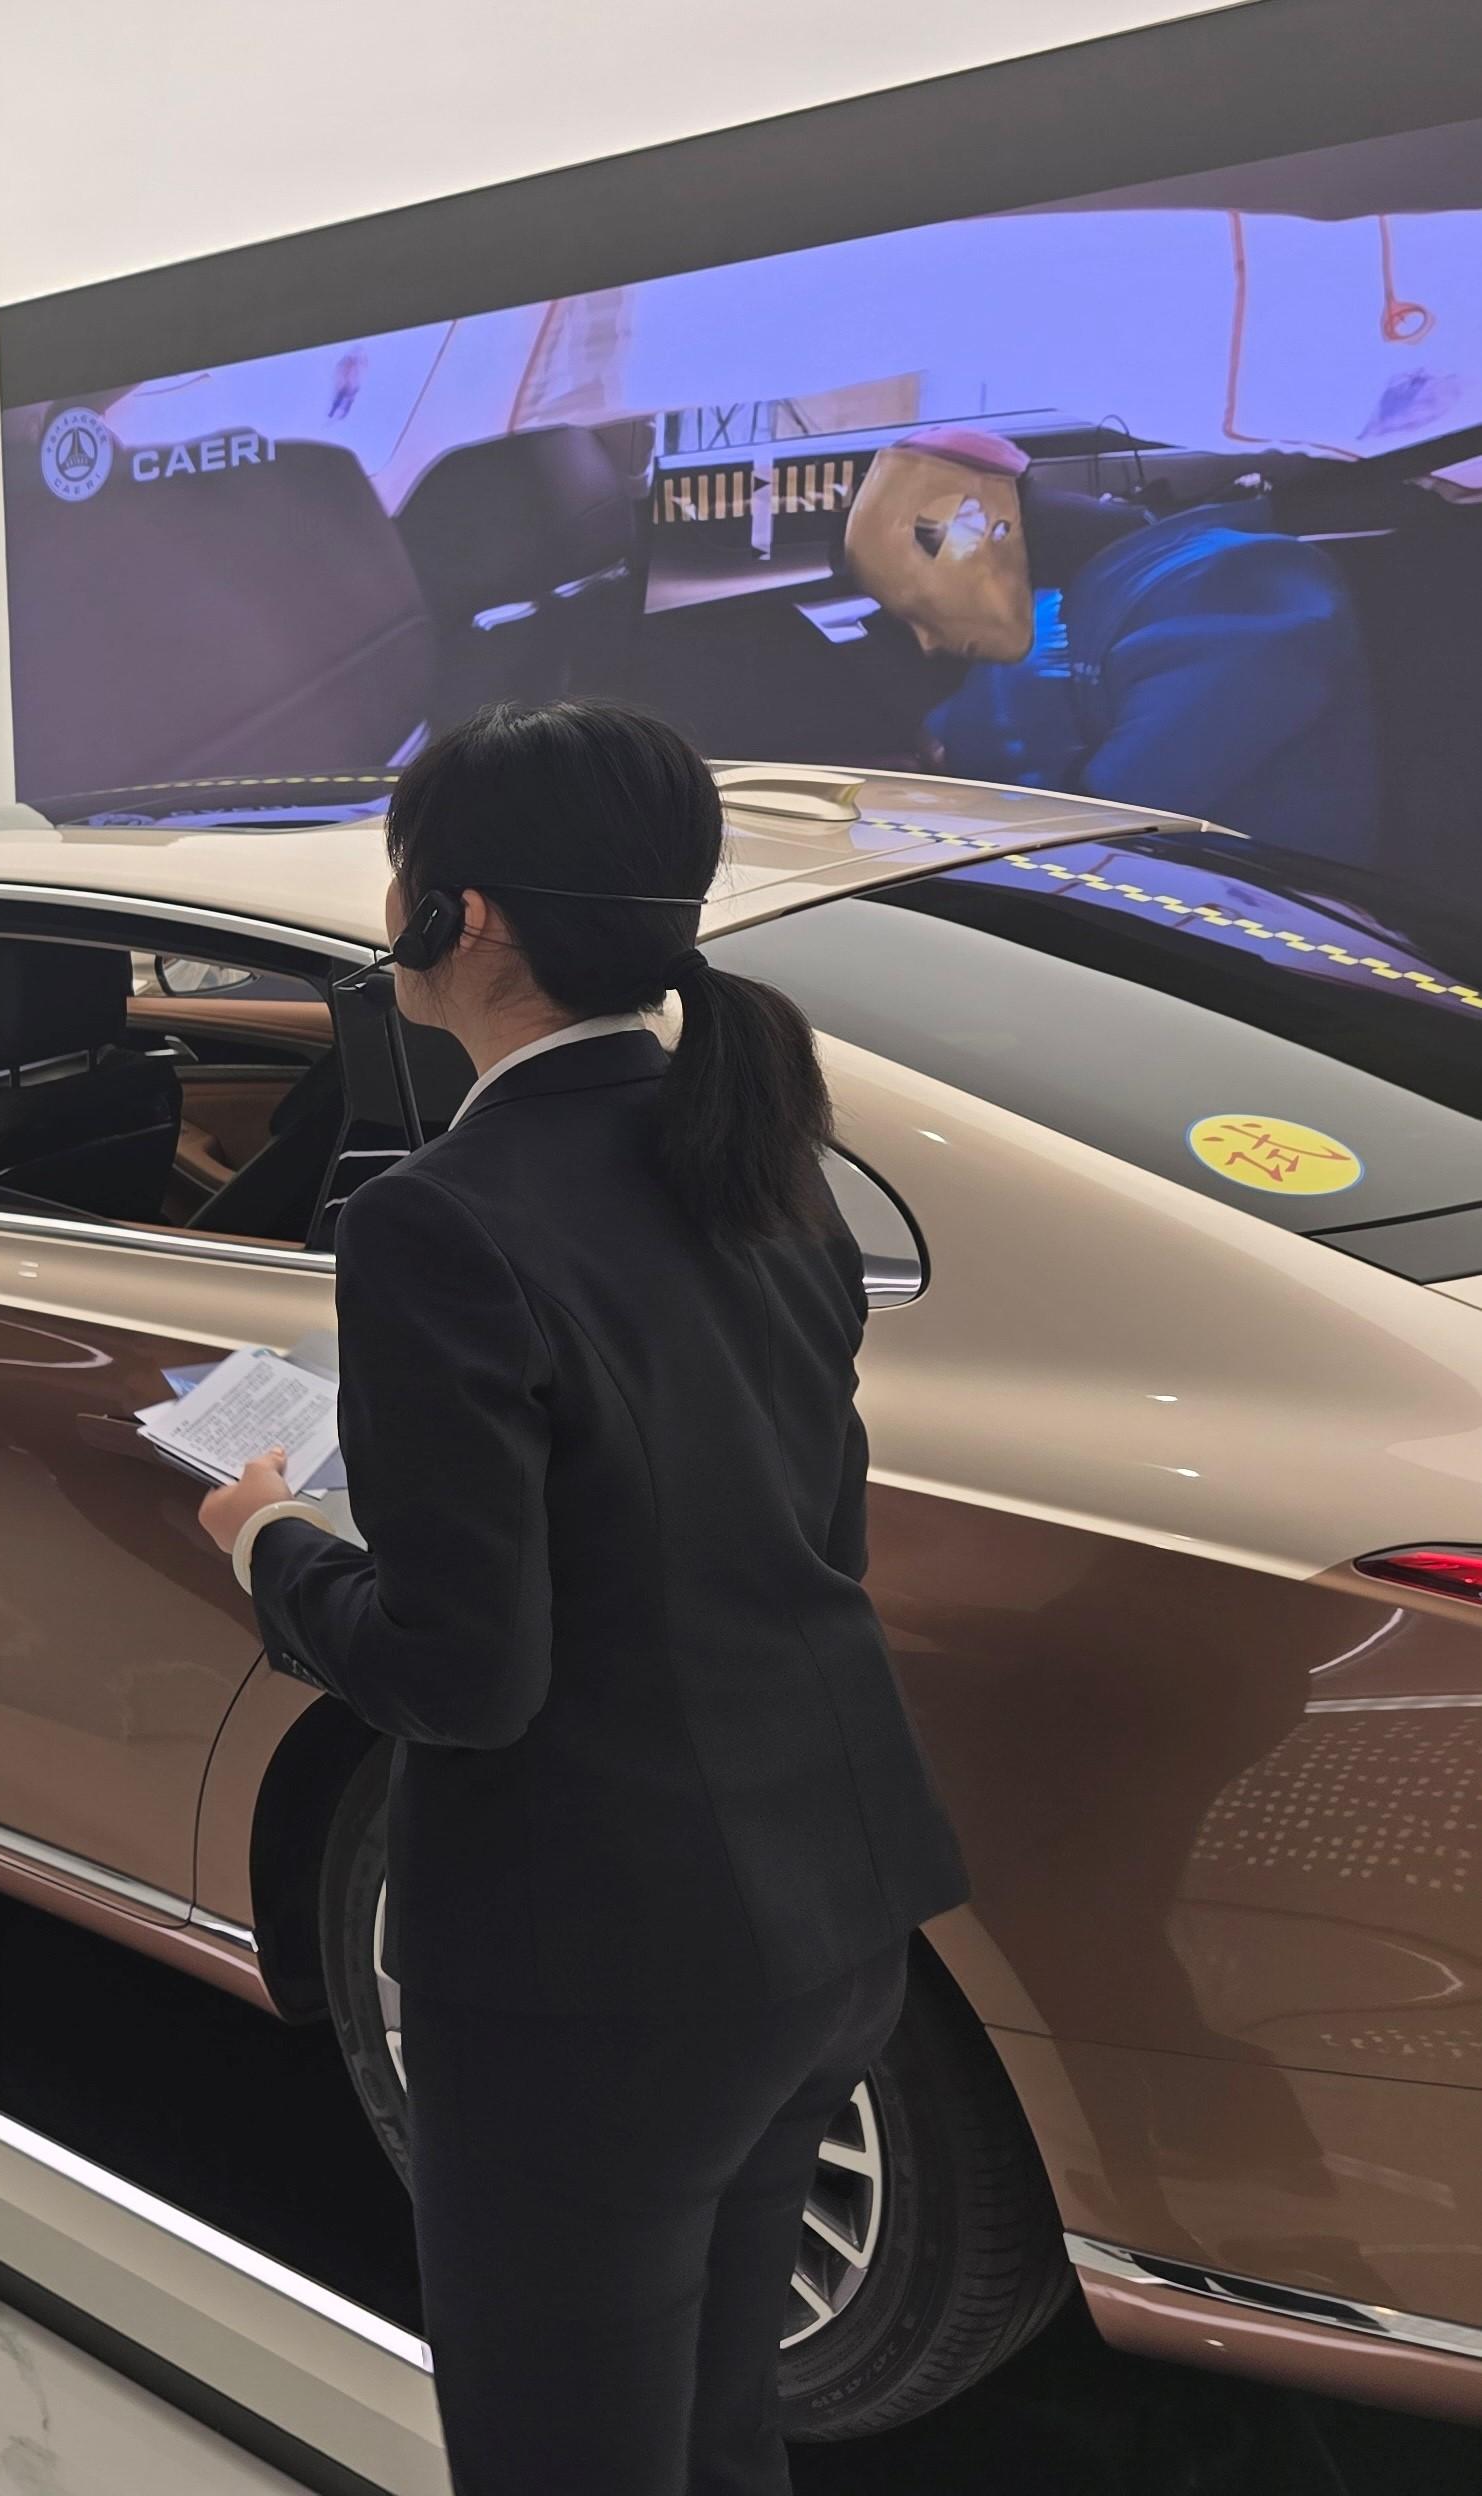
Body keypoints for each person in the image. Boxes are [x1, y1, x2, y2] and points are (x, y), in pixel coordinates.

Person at [197, 703, 969, 2496]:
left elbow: (464, 1672)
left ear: (453, 919)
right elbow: (797, 1519)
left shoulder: (436, 1224)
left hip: (591, 1974)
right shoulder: (753, 1143)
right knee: (705, 2427)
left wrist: (266, 1546)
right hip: (830, 1910)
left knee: (565, 2449)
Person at [836, 423, 1381, 866]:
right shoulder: (1080, 598)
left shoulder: (1242, 583)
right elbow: (958, 742)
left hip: (1255, 933)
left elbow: (1122, 820)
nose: (929, 640)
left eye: (919, 610)